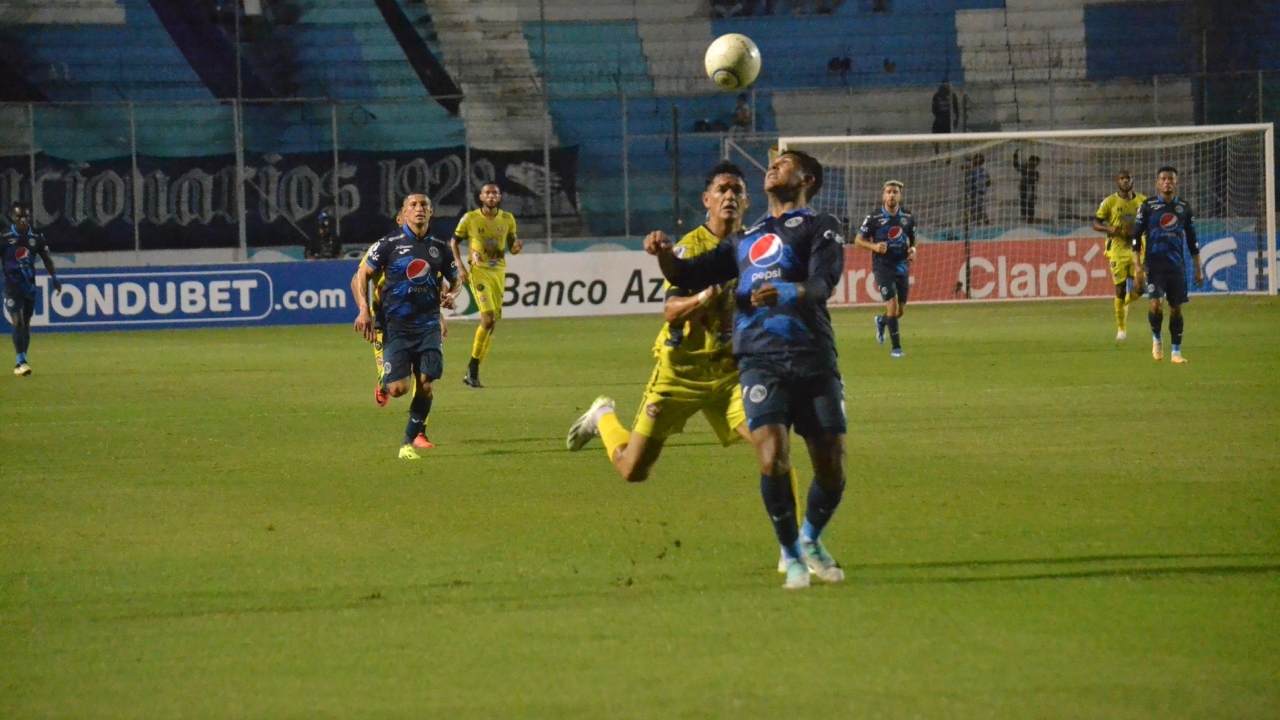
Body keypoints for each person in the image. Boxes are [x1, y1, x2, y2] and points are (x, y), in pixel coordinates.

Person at [643, 150, 848, 590]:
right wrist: (663, 254)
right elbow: (686, 273)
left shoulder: (821, 225)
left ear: (807, 179)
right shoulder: (744, 238)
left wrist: (785, 293)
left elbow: (822, 283)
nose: (774, 166)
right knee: (772, 456)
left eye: (786, 162)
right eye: (773, 163)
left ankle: (811, 538)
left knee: (831, 468)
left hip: (812, 354)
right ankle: (792, 556)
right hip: (758, 359)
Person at [566, 162, 754, 479]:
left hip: (730, 372)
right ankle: (602, 415)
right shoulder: (689, 249)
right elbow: (672, 311)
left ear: (747, 202)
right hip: (682, 370)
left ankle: (796, 514)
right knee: (632, 469)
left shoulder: (755, 247)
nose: (730, 196)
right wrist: (706, 296)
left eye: (737, 191)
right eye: (722, 189)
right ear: (706, 200)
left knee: (770, 442)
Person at [352, 194, 459, 458]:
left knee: (426, 382)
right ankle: (385, 380)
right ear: (403, 213)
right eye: (413, 205)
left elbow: (453, 279)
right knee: (398, 389)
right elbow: (360, 275)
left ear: (431, 212)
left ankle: (410, 441)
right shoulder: (388, 244)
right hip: (394, 325)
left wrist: (450, 297)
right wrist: (364, 310)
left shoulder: (439, 247)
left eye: (424, 205)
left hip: (427, 325)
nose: (419, 209)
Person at [451, 182, 521, 389]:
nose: (491, 196)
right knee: (488, 318)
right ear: (481, 197)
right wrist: (460, 266)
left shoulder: (507, 219)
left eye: (495, 193)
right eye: (487, 193)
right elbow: (454, 242)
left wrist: (516, 248)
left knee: (492, 323)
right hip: (478, 271)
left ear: (499, 197)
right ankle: (473, 368)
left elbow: (512, 247)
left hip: (498, 273)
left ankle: (472, 371)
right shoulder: (470, 218)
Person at [1130, 166, 1203, 363]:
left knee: (1176, 309)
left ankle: (1176, 352)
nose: (1167, 182)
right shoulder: (1147, 206)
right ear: (1157, 183)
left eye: (1171, 179)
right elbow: (1136, 237)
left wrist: (1198, 267)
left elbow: (1192, 240)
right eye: (1163, 179)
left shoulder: (1184, 207)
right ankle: (1157, 339)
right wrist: (1137, 265)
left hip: (1176, 265)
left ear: (1177, 183)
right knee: (1155, 306)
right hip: (1154, 265)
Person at [853, 180, 916, 358]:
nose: (891, 195)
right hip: (882, 267)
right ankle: (896, 349)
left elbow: (913, 239)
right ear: (883, 196)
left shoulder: (908, 218)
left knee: (899, 311)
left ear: (900, 196)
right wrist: (873, 246)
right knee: (892, 305)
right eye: (888, 192)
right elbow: (858, 240)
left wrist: (913, 250)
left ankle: (882, 321)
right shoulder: (874, 218)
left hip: (902, 265)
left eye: (895, 192)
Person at [3, 203, 60, 376]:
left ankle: (22, 359)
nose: (23, 220)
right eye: (19, 216)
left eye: (26, 216)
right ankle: (21, 361)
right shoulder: (4, 237)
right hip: (11, 287)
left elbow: (47, 259)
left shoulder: (36, 237)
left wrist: (55, 278)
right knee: (17, 322)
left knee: (26, 324)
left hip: (29, 287)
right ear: (12, 218)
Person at [1092, 171, 1146, 340]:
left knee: (1141, 286)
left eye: (1127, 178)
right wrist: (1108, 228)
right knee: (1120, 289)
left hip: (1137, 249)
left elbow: (1151, 222)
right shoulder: (1110, 202)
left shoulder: (1142, 201)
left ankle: (1126, 303)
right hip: (1117, 250)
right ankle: (1121, 329)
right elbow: (1095, 223)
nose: (1125, 181)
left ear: (1132, 181)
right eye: (1122, 179)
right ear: (1117, 182)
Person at [1013, 150, 1040, 223]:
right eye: (1029, 162)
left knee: (1030, 205)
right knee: (1023, 204)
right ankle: (1024, 217)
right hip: (1023, 190)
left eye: (1033, 164)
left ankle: (1030, 219)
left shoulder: (1035, 173)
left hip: (1030, 191)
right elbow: (1016, 165)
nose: (1030, 164)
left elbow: (1034, 183)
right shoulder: (1024, 170)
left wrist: (1034, 194)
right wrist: (1015, 156)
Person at [966, 153, 990, 225]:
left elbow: (970, 182)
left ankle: (981, 221)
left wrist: (968, 192)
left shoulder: (973, 171)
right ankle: (984, 220)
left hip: (975, 193)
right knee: (979, 207)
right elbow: (988, 182)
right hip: (982, 192)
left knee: (975, 208)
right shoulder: (984, 171)